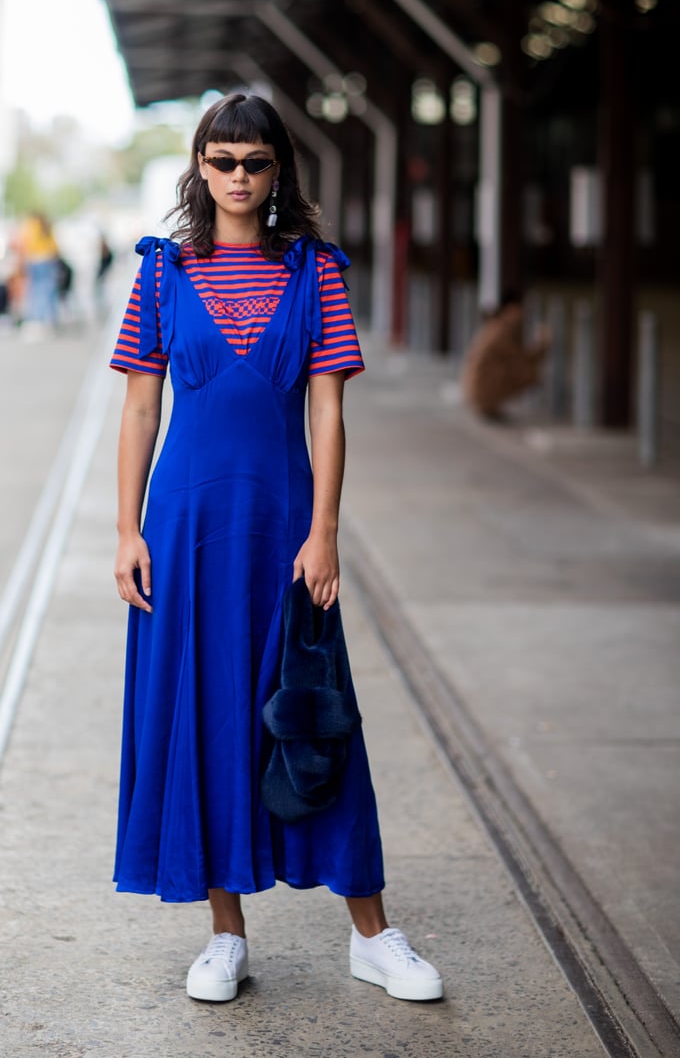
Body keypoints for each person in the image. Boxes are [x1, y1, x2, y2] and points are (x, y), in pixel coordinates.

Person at [110, 92, 443, 1005]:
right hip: (184, 527)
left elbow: (329, 412)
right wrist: (127, 526)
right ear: (200, 168)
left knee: (316, 714)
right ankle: (225, 932)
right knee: (205, 715)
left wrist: (325, 531)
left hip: (286, 528)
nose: (239, 178)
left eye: (255, 162)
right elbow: (141, 405)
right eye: (223, 161)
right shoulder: (162, 272)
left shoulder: (316, 272)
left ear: (278, 171)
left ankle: (373, 934)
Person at [461, 290, 551, 420]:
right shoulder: (502, 333)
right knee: (529, 373)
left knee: (521, 369)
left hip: (472, 390)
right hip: (479, 392)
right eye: (518, 310)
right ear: (510, 309)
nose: (521, 315)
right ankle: (489, 401)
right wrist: (543, 343)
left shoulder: (495, 326)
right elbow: (523, 360)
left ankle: (490, 403)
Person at [17, 211, 59, 327]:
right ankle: (47, 318)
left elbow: (23, 244)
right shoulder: (46, 227)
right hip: (46, 261)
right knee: (46, 290)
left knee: (35, 290)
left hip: (33, 261)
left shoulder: (29, 226)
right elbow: (54, 248)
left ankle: (37, 318)